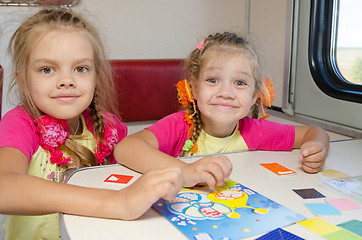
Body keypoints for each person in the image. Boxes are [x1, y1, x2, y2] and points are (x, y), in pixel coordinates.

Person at [0, 9, 186, 240]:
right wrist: (116, 203)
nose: (66, 81)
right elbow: (4, 188)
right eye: (47, 69)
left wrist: (184, 172)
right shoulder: (20, 123)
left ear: (96, 77)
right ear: (22, 79)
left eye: (81, 69)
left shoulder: (110, 128)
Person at [117, 32, 330, 179]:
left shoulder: (255, 131)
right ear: (194, 88)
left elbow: (314, 132)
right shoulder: (179, 126)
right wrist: (186, 171)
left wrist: (317, 149)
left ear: (255, 95)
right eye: (212, 80)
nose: (226, 93)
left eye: (239, 83)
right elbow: (126, 148)